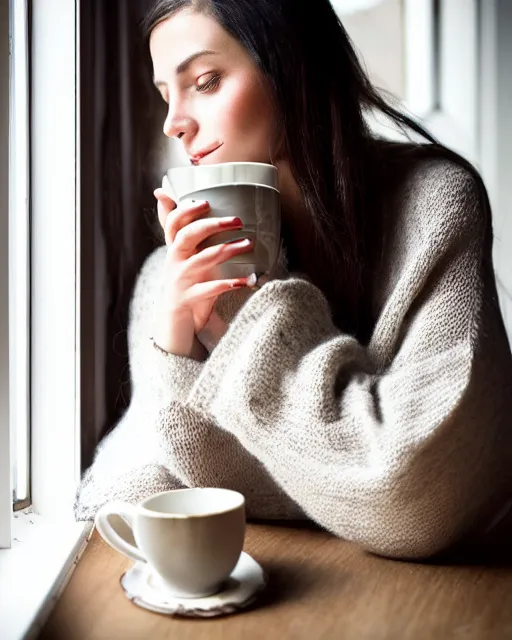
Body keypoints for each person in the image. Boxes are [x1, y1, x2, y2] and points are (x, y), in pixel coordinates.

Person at [74, 0, 512, 560]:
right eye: (166, 95)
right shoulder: (174, 276)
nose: (173, 122)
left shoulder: (435, 205)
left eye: (205, 81)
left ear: (291, 67)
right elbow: (145, 482)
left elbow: (413, 498)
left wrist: (255, 316)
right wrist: (172, 347)